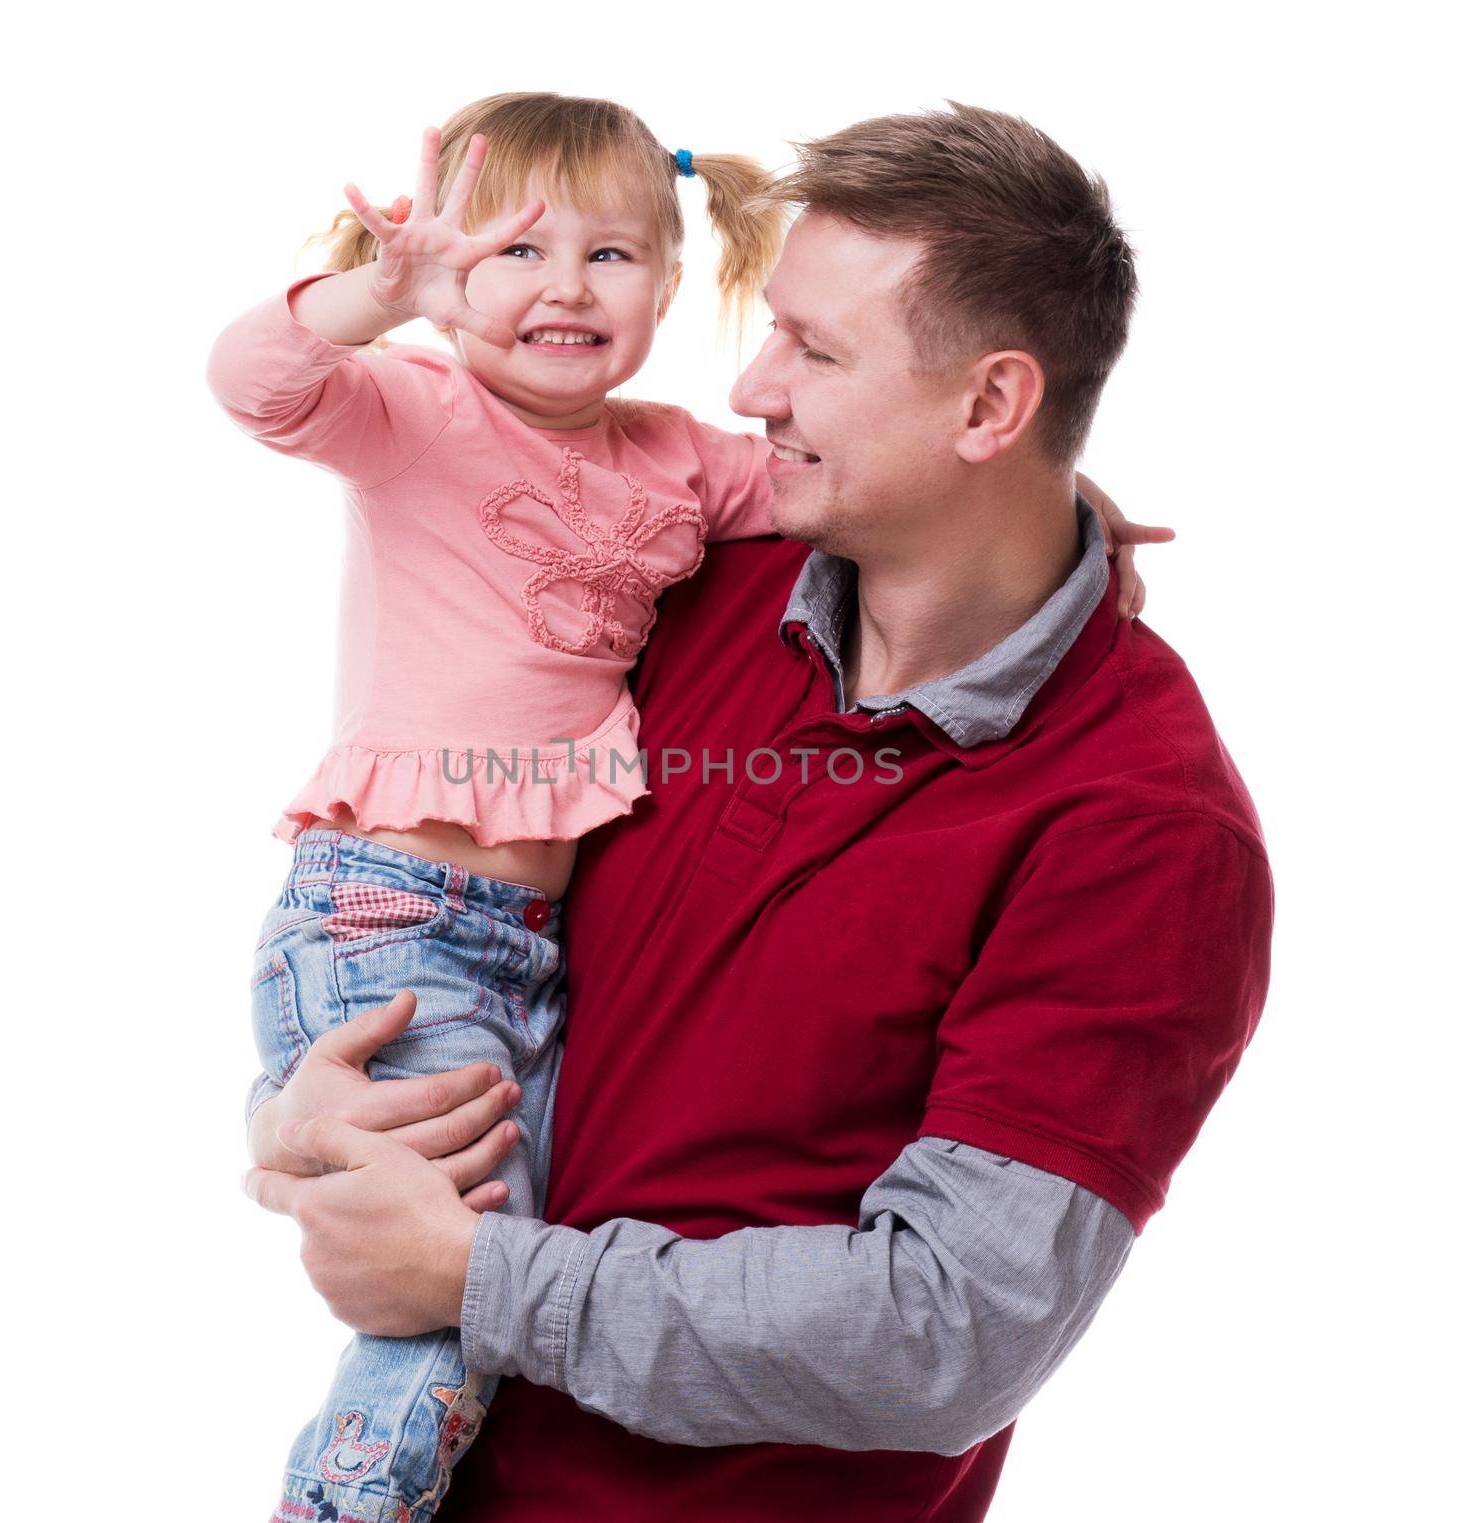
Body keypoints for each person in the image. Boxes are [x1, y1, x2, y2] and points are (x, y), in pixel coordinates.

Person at [240, 103, 1231, 1523]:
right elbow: (462, 952)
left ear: (990, 408)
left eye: (815, 352)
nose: (753, 387)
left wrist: (476, 1277)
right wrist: (302, 1121)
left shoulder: (1145, 828)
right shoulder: (688, 592)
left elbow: (945, 1330)